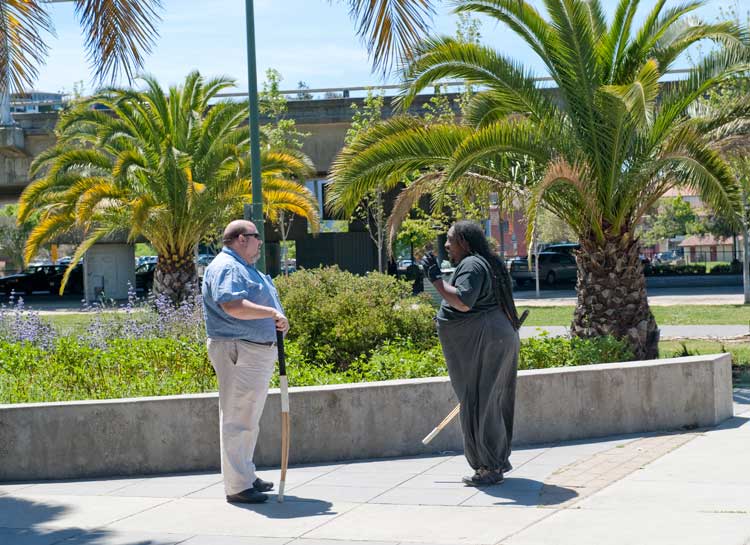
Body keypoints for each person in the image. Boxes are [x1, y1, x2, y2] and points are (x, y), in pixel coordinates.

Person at [420, 220, 521, 487]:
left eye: (450, 240)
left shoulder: (472, 265)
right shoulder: (484, 262)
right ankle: (493, 463)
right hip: (495, 339)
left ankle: (489, 467)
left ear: (464, 242)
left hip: (487, 342)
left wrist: (436, 280)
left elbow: (463, 302)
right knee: (489, 401)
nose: (446, 245)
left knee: (483, 403)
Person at [202, 219, 289, 504]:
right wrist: (271, 313)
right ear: (241, 239)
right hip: (240, 350)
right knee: (239, 417)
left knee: (247, 417)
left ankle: (245, 475)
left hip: (251, 350)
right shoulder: (228, 267)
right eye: (256, 236)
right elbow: (232, 305)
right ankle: (238, 485)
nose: (260, 241)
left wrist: (277, 319)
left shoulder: (243, 267)